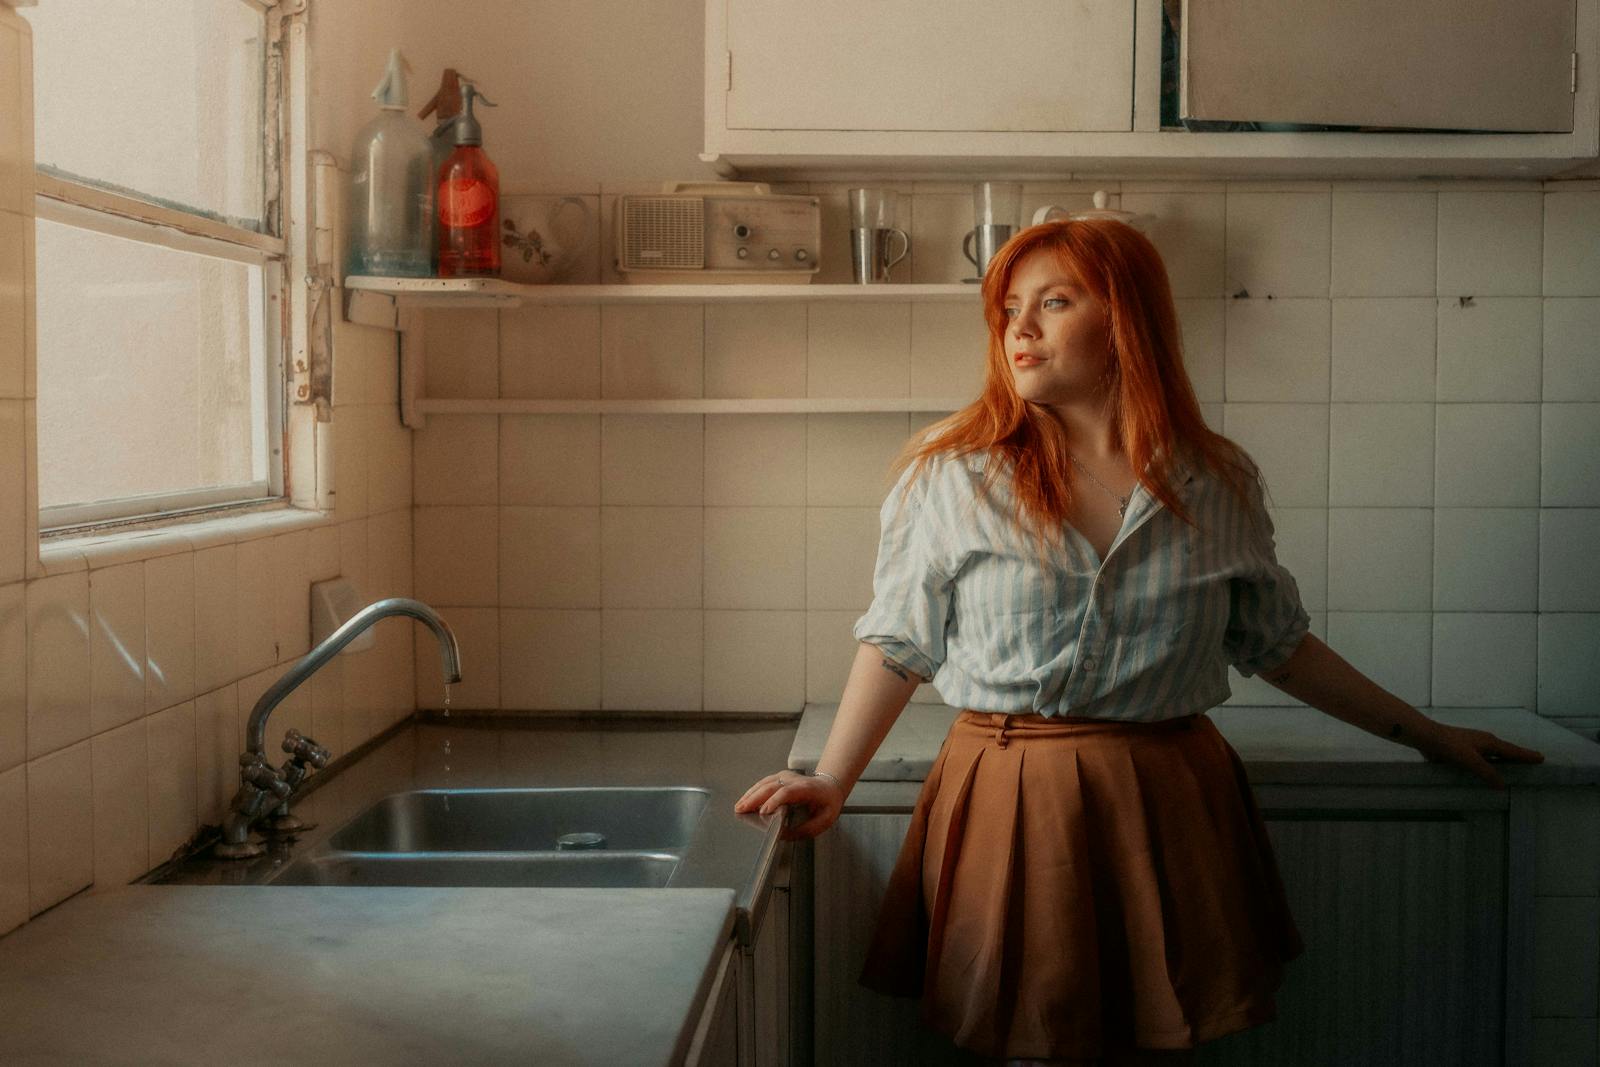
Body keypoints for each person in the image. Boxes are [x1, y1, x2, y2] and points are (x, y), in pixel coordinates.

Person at [734, 217, 1548, 1067]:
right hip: (1013, 790)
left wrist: (1427, 733)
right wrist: (830, 777)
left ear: (1125, 319)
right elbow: (900, 641)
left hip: (1172, 796)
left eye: (1054, 302)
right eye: (1010, 307)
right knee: (1033, 1049)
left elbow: (1280, 645)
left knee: (1166, 1046)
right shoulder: (953, 473)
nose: (1020, 328)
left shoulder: (1216, 479)